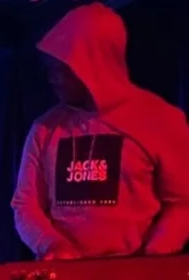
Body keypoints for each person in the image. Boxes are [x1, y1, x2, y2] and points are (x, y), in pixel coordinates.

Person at [12, 2, 189, 260]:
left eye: (62, 68)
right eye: (50, 68)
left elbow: (183, 203)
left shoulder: (161, 120)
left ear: (93, 63)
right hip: (64, 275)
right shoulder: (44, 128)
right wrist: (52, 245)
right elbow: (25, 204)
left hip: (136, 277)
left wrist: (152, 257)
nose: (52, 77)